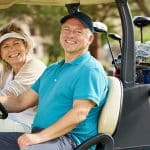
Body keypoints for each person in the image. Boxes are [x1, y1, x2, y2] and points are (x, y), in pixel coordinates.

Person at [0, 12, 108, 150]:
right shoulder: (52, 69)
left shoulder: (89, 69)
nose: (70, 35)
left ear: (90, 38)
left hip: (70, 140)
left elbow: (79, 113)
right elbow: (21, 101)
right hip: (42, 136)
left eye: (78, 31)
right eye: (66, 30)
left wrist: (38, 137)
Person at [0, 22, 46, 133]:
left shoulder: (35, 66)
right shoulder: (7, 70)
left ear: (25, 45)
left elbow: (9, 95)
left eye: (16, 43)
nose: (12, 49)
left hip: (29, 126)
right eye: (6, 46)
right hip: (9, 121)